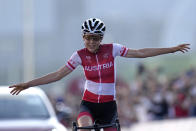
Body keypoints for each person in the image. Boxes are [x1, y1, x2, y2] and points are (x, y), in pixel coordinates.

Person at [9, 18, 190, 131]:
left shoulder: (112, 50)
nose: (91, 41)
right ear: (83, 37)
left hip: (108, 106)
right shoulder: (79, 55)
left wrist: (171, 49)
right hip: (88, 104)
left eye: (95, 38)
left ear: (101, 39)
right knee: (85, 128)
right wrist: (28, 84)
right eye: (88, 37)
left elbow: (141, 53)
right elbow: (58, 75)